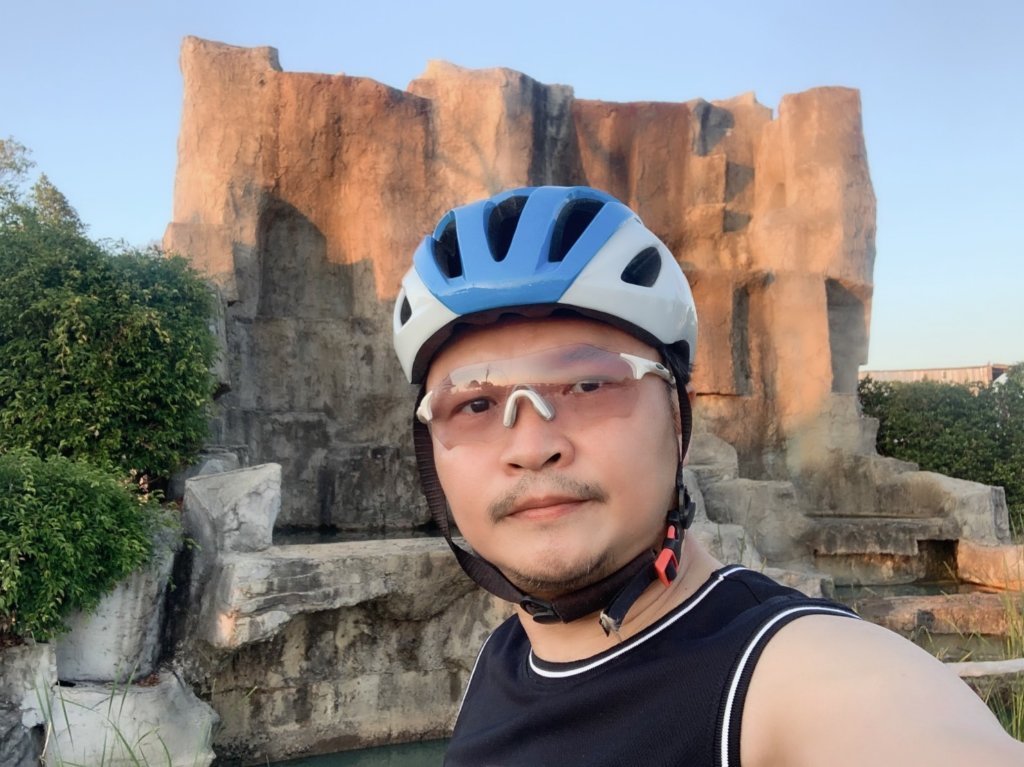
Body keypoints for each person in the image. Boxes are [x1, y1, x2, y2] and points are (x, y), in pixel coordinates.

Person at [391, 185, 1024, 766]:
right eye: (474, 404)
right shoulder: (499, 661)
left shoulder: (792, 678)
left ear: (677, 419)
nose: (532, 447)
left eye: (588, 385)